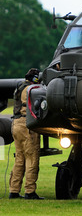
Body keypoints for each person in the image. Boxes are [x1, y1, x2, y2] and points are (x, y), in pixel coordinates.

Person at [9, 68, 44, 200]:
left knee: (19, 159)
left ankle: (14, 190)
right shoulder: (31, 89)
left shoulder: (19, 87)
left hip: (16, 124)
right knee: (32, 158)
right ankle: (30, 191)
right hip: (27, 125)